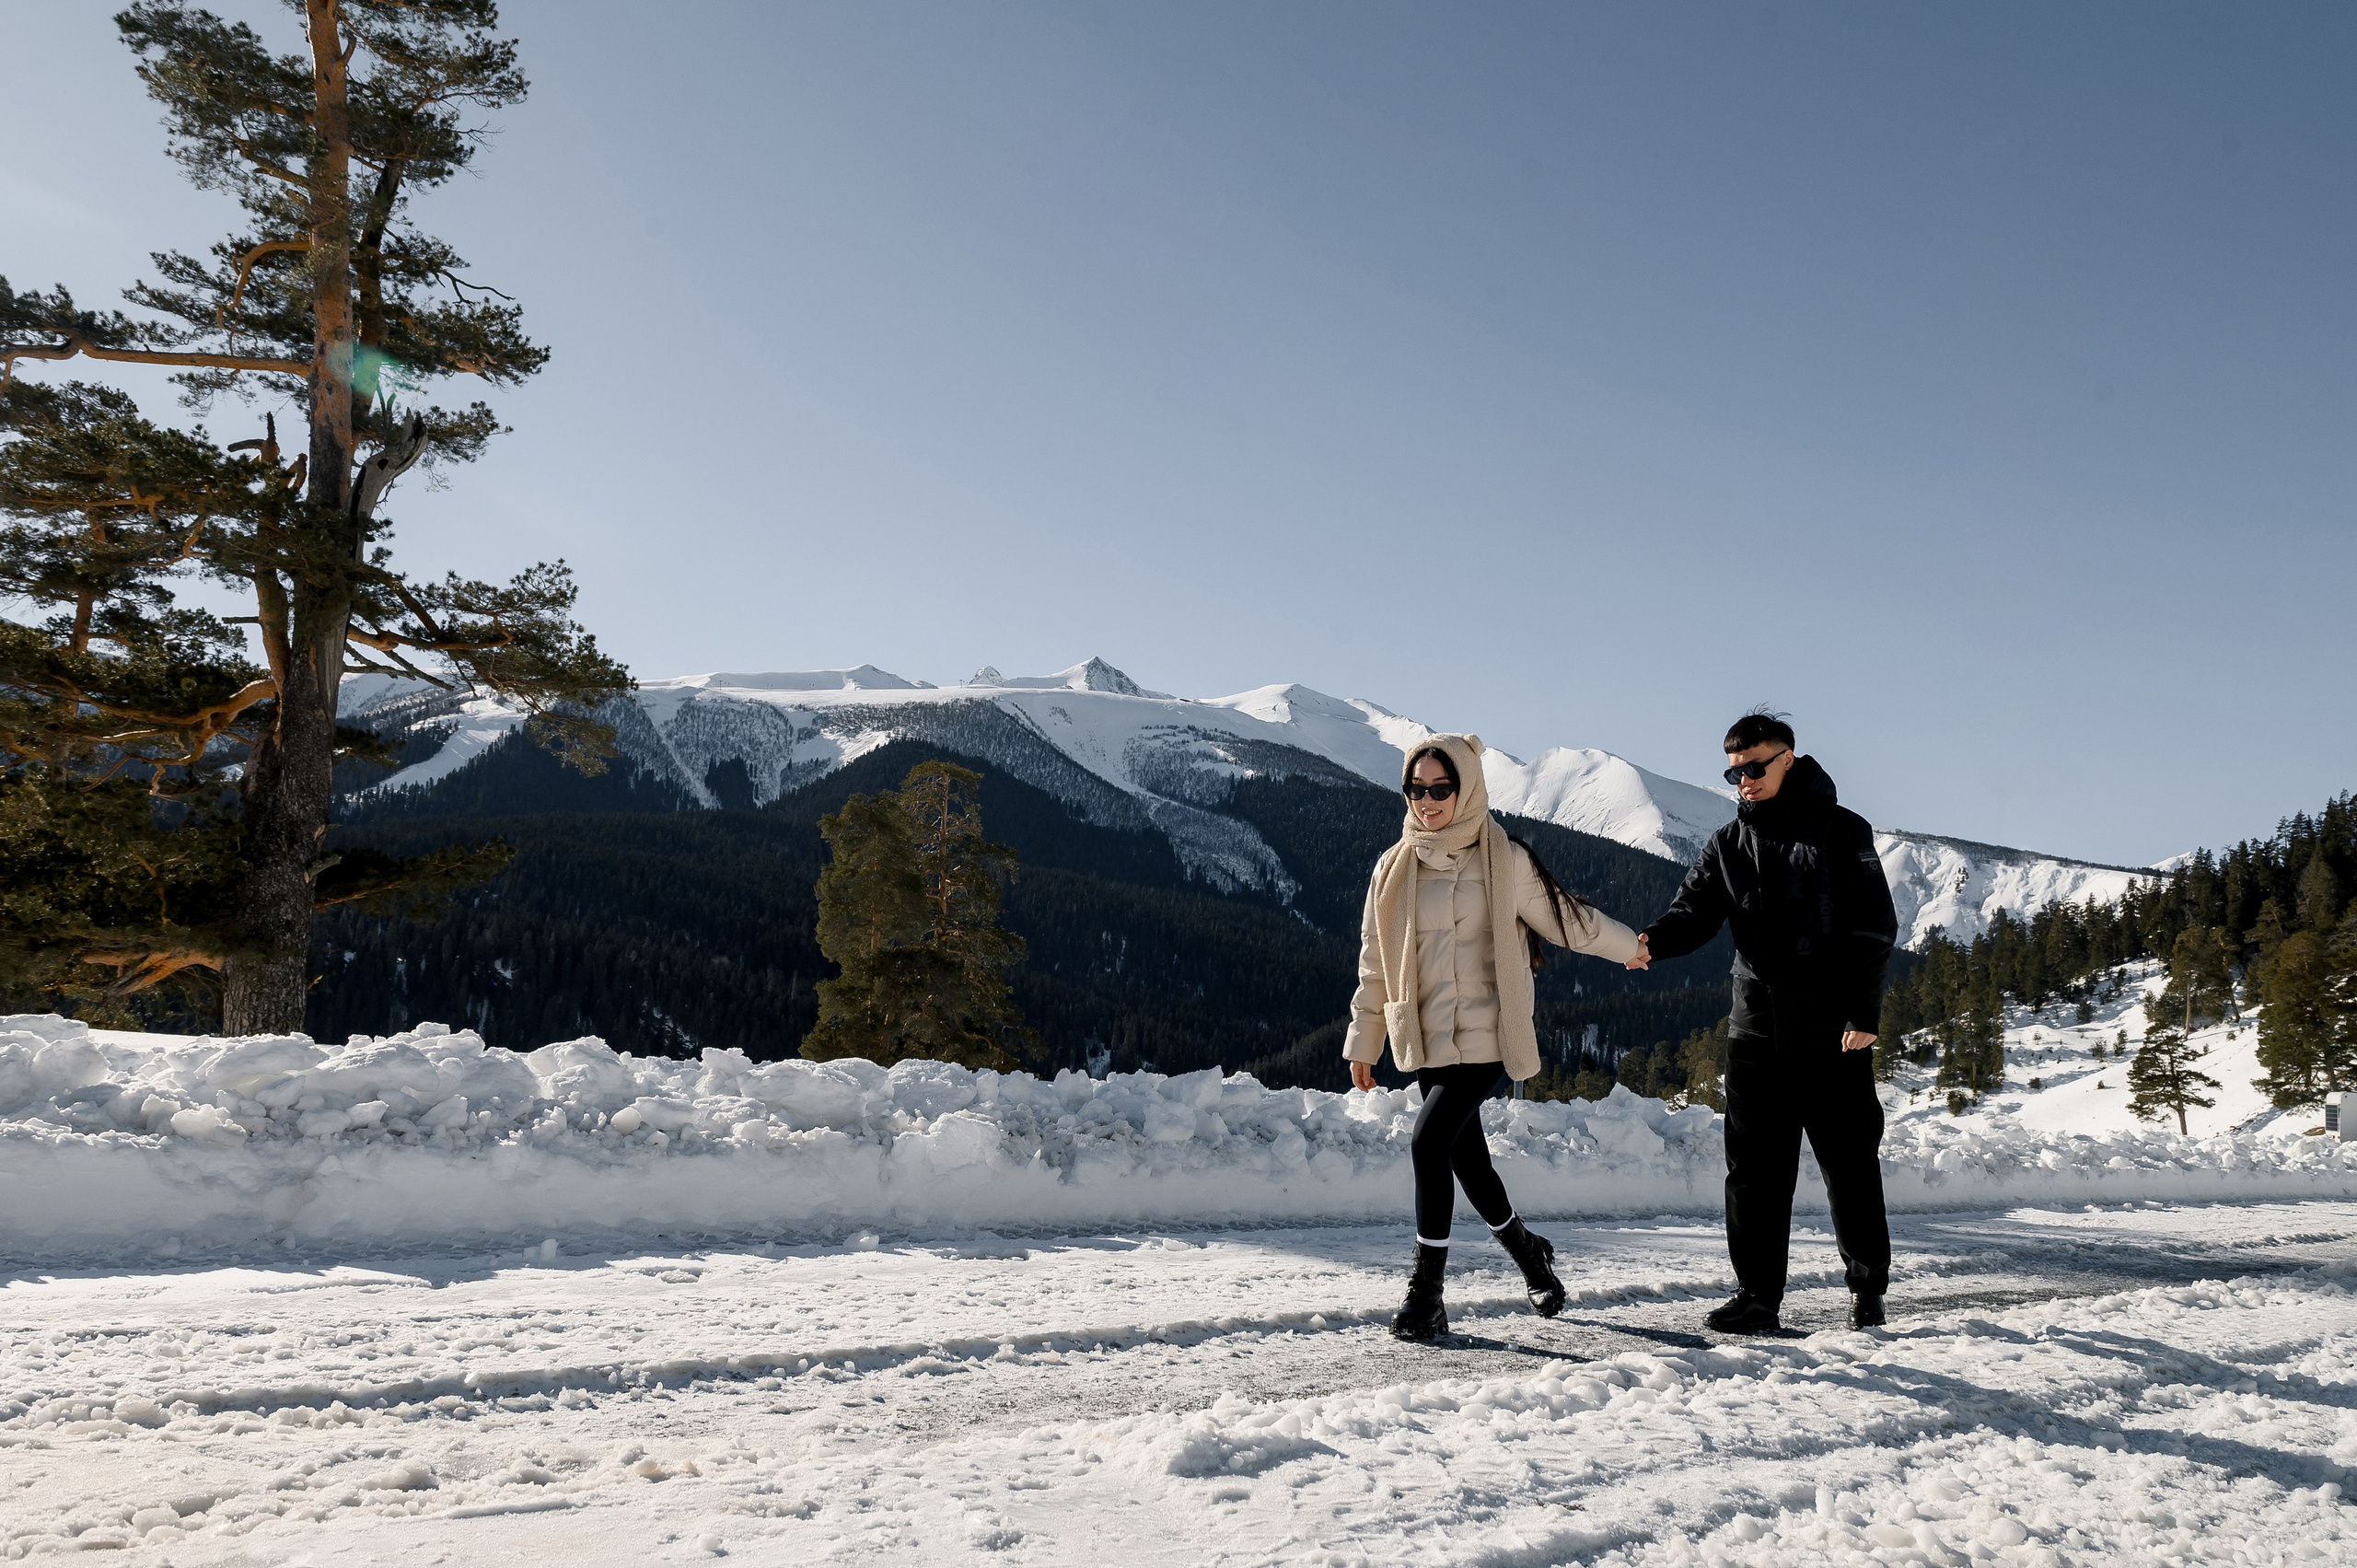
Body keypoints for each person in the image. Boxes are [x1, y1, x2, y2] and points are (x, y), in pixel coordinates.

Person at [1343, 733, 1645, 1342]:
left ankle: (1426, 1294)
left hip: (1490, 1039)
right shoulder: (1393, 867)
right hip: (1428, 1039)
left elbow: (1566, 918)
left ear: (1467, 787)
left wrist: (1629, 946)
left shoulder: (1502, 857)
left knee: (1428, 1142)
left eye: (1440, 788)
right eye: (1415, 788)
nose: (1426, 801)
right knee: (1469, 1163)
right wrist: (1364, 1037)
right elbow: (1374, 958)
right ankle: (1532, 1257)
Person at [1625, 710, 1899, 1333]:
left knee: (1850, 1166)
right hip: (1755, 1034)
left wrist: (1864, 1012)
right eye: (1734, 771)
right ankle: (1757, 1296)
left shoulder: (1843, 830)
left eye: (1755, 766)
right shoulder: (1728, 843)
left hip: (1834, 1032)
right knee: (1754, 1172)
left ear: (1790, 760)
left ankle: (1866, 1291)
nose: (1744, 779)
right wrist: (1649, 942)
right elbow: (1691, 912)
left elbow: (1875, 926)